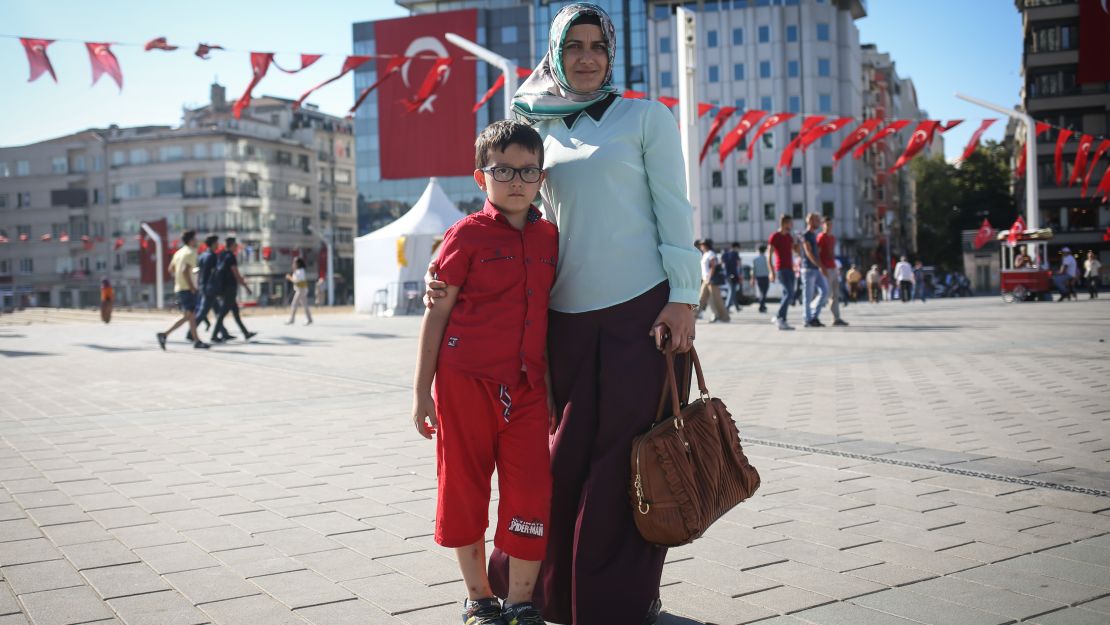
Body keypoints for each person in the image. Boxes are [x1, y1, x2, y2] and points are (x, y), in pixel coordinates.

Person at [425, 6, 700, 623]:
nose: (585, 57)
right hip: (563, 321)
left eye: (596, 45)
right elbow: (514, 214)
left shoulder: (645, 117)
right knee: (560, 466)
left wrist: (684, 297)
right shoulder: (537, 126)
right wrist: (447, 272)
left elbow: (675, 211)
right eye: (572, 46)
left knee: (627, 467)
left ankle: (617, 603)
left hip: (641, 316)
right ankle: (539, 596)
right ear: (554, 56)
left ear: (610, 53)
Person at [413, 120, 557, 625]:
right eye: (503, 170)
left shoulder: (550, 237)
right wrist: (421, 392)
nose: (516, 180)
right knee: (464, 487)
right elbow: (437, 313)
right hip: (463, 382)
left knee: (531, 491)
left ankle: (521, 602)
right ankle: (480, 599)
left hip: (529, 388)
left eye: (528, 170)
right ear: (481, 178)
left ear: (542, 177)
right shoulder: (464, 236)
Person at [156, 230, 208, 350]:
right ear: (191, 240)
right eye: (195, 239)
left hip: (179, 287)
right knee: (188, 315)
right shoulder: (191, 252)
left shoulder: (178, 252)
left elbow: (171, 269)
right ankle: (164, 334)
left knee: (191, 315)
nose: (196, 241)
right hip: (186, 289)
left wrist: (180, 278)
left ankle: (196, 341)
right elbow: (185, 270)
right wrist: (192, 286)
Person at [211, 237, 257, 342]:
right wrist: (246, 287)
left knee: (235, 312)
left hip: (222, 288)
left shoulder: (221, 255)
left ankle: (246, 333)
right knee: (222, 313)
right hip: (230, 288)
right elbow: (236, 274)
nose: (237, 247)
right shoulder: (231, 257)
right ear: (231, 245)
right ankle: (214, 335)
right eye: (236, 245)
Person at [799, 213, 830, 328]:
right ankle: (807, 319)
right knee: (807, 295)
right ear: (810, 221)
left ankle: (813, 316)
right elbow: (808, 252)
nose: (819, 223)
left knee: (825, 291)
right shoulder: (806, 235)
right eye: (817, 220)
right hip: (808, 269)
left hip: (816, 268)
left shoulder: (814, 235)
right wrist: (820, 266)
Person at [768, 215, 797, 330]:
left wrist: (797, 243)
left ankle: (782, 320)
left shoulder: (789, 237)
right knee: (789, 293)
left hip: (790, 269)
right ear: (784, 223)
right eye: (790, 223)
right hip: (781, 269)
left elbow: (795, 251)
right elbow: (769, 255)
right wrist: (771, 271)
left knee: (788, 294)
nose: (792, 225)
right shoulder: (775, 236)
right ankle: (778, 316)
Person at [816, 216, 846, 326]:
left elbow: (832, 254)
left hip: (833, 267)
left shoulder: (833, 238)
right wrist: (821, 267)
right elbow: (817, 254)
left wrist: (836, 267)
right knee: (825, 294)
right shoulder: (820, 237)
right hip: (825, 268)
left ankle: (836, 318)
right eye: (827, 224)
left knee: (835, 295)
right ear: (822, 225)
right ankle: (813, 315)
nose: (829, 227)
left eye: (830, 224)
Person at [190, 235, 221, 341]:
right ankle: (190, 333)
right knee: (203, 311)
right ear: (213, 244)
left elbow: (197, 271)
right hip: (210, 288)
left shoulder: (202, 255)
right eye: (217, 243)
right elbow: (214, 273)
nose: (218, 245)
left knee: (218, 311)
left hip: (203, 285)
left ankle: (222, 333)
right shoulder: (212, 256)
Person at [698, 239, 729, 323]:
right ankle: (694, 316)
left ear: (706, 245)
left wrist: (709, 278)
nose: (701, 246)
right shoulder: (705, 254)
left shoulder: (711, 254)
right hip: (705, 280)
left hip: (711, 280)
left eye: (702, 244)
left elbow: (713, 267)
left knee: (716, 299)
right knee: (701, 299)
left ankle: (723, 317)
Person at [286, 258, 313, 325]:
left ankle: (292, 319)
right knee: (304, 305)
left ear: (298, 263)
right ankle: (309, 319)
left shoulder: (300, 271)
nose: (293, 264)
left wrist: (289, 278)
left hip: (301, 289)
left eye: (294, 263)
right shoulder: (297, 271)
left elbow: (297, 281)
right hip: (300, 289)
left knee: (294, 303)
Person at [721, 242, 742, 312]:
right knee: (732, 291)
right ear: (736, 247)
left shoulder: (725, 254)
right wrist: (740, 275)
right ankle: (726, 307)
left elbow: (722, 264)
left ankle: (737, 307)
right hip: (734, 275)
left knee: (732, 290)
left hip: (727, 275)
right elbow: (738, 265)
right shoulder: (735, 254)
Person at [751, 244, 771, 312]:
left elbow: (753, 270)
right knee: (764, 292)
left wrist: (752, 279)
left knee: (761, 292)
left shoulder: (755, 259)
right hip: (766, 277)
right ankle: (762, 305)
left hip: (759, 278)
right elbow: (770, 268)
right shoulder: (767, 258)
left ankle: (762, 305)